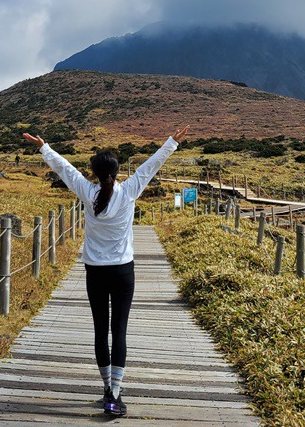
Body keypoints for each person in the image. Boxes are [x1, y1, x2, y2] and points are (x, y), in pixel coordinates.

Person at [23, 125, 190, 417]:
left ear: (95, 172)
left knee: (101, 330)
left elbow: (64, 169)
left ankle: (105, 389)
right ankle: (115, 393)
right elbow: (151, 166)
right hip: (123, 271)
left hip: (95, 271)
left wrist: (43, 147)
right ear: (116, 171)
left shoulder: (87, 191)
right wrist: (172, 142)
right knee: (119, 330)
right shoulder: (128, 191)